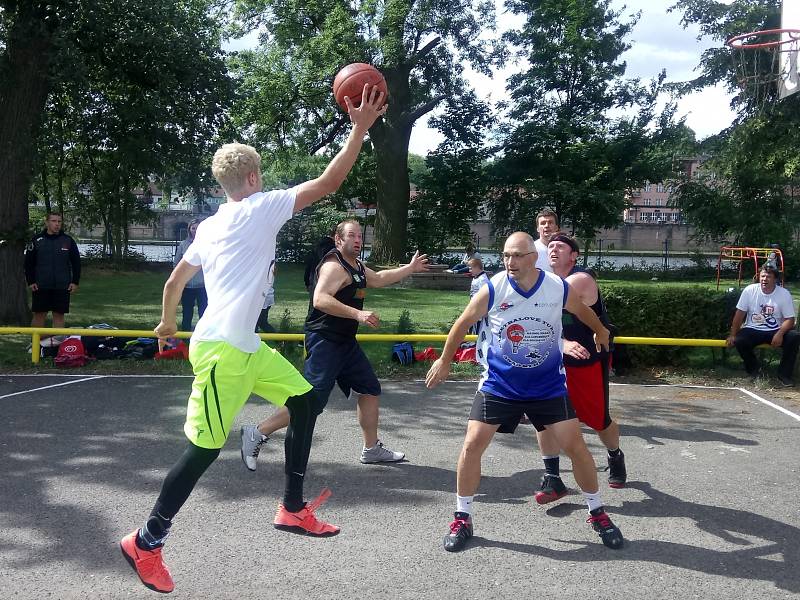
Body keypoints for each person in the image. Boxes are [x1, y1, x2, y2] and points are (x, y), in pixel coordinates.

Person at [119, 85, 388, 594]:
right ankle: (147, 541)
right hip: (224, 349)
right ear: (252, 178)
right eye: (260, 174)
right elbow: (330, 182)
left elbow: (174, 282)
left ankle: (290, 509)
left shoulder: (211, 225)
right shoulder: (259, 207)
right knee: (202, 449)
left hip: (240, 345)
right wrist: (360, 127)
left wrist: (167, 324)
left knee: (306, 400)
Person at [425, 232, 624, 553]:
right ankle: (463, 517)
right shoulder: (493, 288)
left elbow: (583, 311)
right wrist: (445, 360)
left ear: (534, 257)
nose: (510, 262)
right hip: (499, 385)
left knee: (577, 447)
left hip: (547, 386)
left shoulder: (556, 287)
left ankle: (597, 512)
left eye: (517, 255)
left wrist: (601, 330)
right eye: (505, 255)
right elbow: (462, 323)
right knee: (472, 445)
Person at [240, 219, 430, 470]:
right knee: (311, 401)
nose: (358, 240)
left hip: (345, 343)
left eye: (360, 236)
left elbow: (380, 278)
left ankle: (371, 449)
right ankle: (258, 432)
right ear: (338, 240)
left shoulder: (357, 266)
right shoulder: (334, 267)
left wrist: (410, 267)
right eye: (351, 236)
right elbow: (320, 299)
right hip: (324, 341)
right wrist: (358, 314)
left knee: (370, 389)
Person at [532, 233, 626, 506]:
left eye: (560, 246)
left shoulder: (580, 279)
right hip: (554, 361)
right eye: (549, 246)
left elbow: (545, 305)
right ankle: (553, 478)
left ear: (574, 256)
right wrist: (561, 343)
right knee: (544, 417)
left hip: (587, 360)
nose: (553, 249)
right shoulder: (547, 282)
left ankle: (614, 454)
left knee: (598, 420)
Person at [726, 264, 799, 387]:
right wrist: (733, 335)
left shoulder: (784, 293)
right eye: (762, 276)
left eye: (768, 277)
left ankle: (784, 375)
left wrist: (780, 334)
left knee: (794, 337)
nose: (764, 279)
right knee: (740, 340)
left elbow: (790, 320)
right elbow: (739, 314)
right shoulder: (749, 290)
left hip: (776, 330)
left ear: (775, 279)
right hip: (753, 328)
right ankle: (755, 371)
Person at [24, 212, 81, 331]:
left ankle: (57, 346)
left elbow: (76, 263)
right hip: (41, 285)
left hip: (62, 285)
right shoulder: (36, 240)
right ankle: (35, 345)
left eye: (59, 222)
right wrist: (31, 281)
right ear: (47, 223)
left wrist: (75, 282)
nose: (57, 224)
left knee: (59, 315)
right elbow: (28, 263)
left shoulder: (68, 240)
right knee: (39, 315)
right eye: (54, 221)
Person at [173, 218, 207, 332]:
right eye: (193, 228)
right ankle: (186, 335)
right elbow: (176, 264)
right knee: (187, 312)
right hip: (187, 286)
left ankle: (204, 334)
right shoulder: (183, 245)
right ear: (189, 229)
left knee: (205, 312)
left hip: (203, 286)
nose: (195, 230)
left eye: (198, 228)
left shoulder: (208, 244)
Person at [467, 257, 490, 335]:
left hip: (478, 307)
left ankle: (473, 342)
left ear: (477, 267)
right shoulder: (476, 277)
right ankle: (470, 340)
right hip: (473, 305)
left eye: (471, 268)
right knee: (471, 323)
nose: (469, 271)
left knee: (475, 324)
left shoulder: (482, 279)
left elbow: (485, 295)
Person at [256, 261, 276, 333]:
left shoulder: (263, 266)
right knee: (262, 323)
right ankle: (280, 340)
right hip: (267, 296)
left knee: (256, 322)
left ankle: (280, 340)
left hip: (262, 297)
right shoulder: (270, 265)